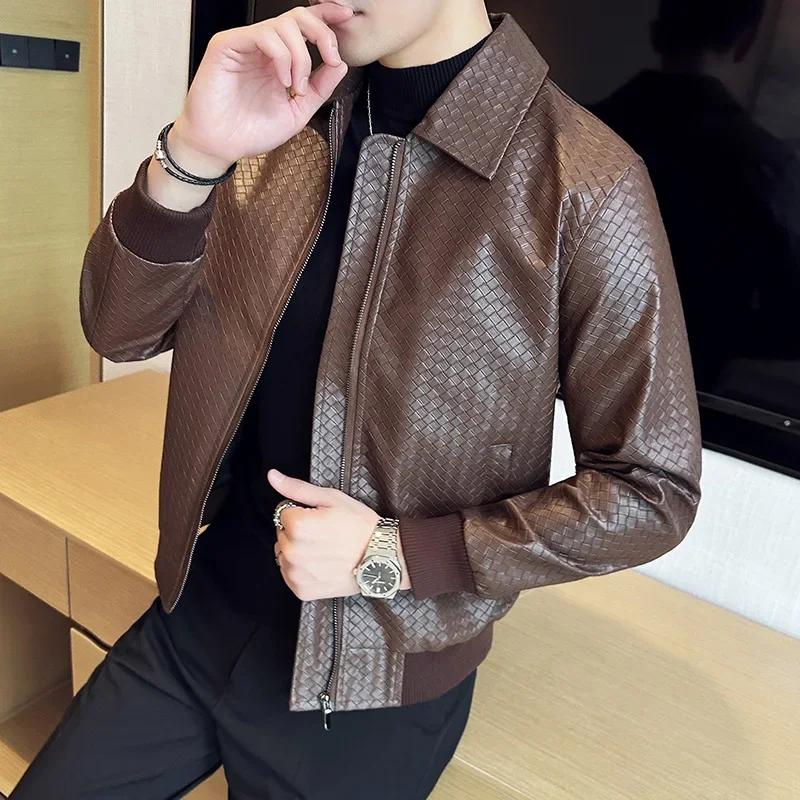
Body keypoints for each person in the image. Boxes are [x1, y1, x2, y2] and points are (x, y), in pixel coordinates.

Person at [11, 1, 703, 798]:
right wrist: (194, 152)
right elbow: (118, 330)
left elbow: (653, 489)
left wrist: (394, 553)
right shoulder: (284, 119)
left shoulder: (582, 180)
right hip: (201, 611)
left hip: (374, 685)